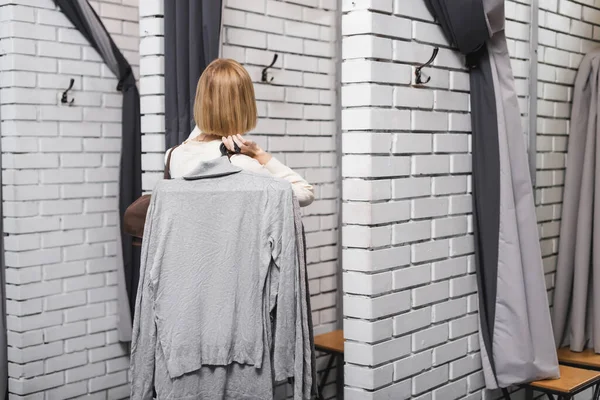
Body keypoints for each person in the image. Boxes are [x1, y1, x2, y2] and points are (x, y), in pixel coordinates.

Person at [165, 58, 315, 207]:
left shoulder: (173, 156)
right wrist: (258, 154)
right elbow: (305, 193)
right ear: (245, 106)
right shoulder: (240, 165)